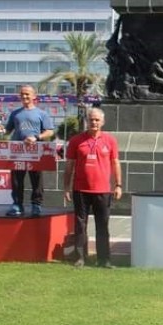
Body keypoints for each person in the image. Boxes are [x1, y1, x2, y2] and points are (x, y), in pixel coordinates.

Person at [63, 108, 123, 268]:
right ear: (86, 121)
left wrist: (118, 185)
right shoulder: (76, 141)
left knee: (102, 225)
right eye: (91, 119)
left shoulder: (110, 140)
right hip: (81, 190)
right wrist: (66, 188)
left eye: (97, 120)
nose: (94, 122)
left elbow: (115, 163)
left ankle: (104, 259)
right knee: (80, 225)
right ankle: (81, 258)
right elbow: (69, 165)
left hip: (103, 190)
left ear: (102, 122)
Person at [0, 84, 55, 217]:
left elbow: (50, 132)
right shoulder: (15, 113)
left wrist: (37, 137)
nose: (24, 96)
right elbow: (8, 130)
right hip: (17, 152)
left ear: (34, 96)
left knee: (36, 179)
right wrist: (2, 131)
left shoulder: (42, 114)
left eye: (27, 94)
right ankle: (17, 204)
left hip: (36, 151)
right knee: (16, 179)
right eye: (22, 94)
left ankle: (36, 205)